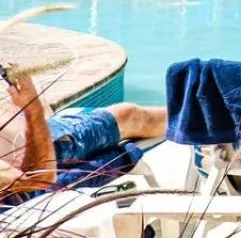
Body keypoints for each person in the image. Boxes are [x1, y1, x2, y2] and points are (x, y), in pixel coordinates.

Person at [0, 68, 165, 203]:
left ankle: (187, 116)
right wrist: (32, 106)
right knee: (126, 129)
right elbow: (40, 179)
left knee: (128, 118)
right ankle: (187, 117)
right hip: (36, 177)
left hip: (25, 151)